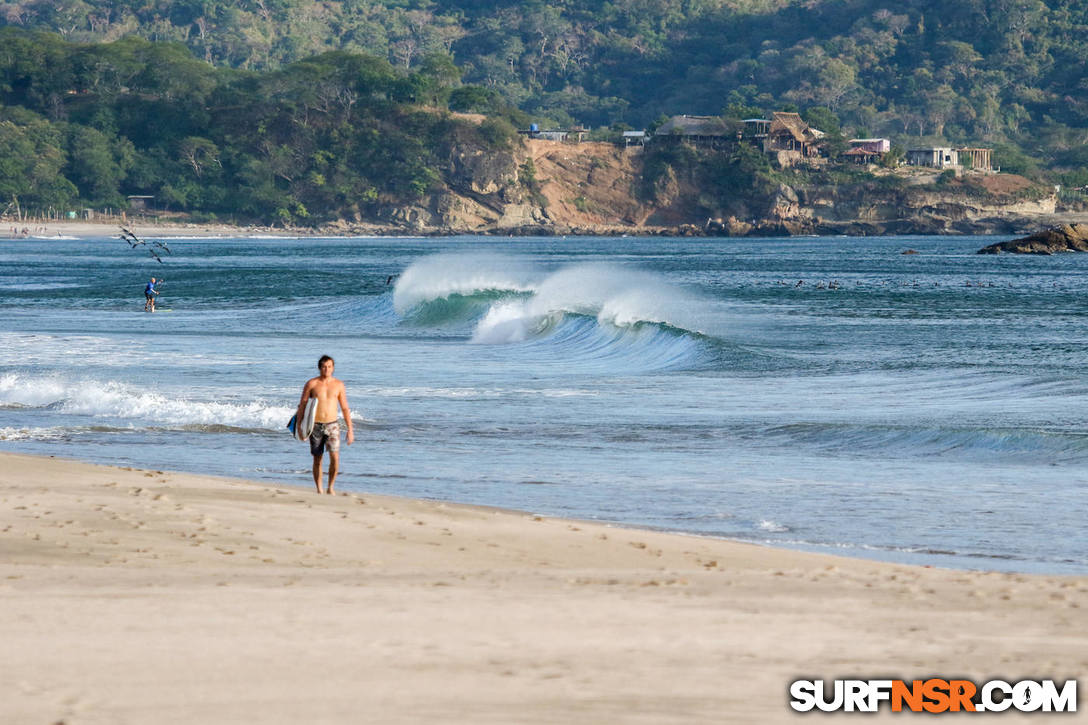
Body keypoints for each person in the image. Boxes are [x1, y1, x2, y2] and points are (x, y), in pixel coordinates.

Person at [296, 355, 354, 494]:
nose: (326, 369)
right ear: (319, 368)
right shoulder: (312, 384)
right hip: (315, 425)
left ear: (333, 368)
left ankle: (331, 487)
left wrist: (350, 430)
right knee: (317, 458)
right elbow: (303, 405)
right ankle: (319, 489)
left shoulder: (339, 385)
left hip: (332, 425)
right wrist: (299, 426)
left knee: (335, 457)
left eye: (329, 366)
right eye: (324, 366)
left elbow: (345, 408)